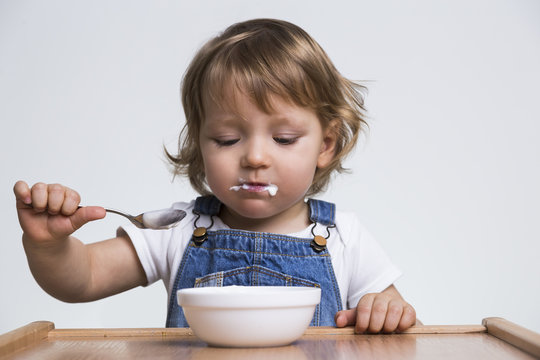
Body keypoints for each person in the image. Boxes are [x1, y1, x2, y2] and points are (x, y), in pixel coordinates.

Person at [13, 18, 416, 333]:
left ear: (325, 146)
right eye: (226, 139)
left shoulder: (344, 238)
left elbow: (396, 313)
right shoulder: (178, 229)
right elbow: (81, 279)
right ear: (200, 145)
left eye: (283, 138)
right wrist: (48, 247)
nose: (255, 157)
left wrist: (387, 310)